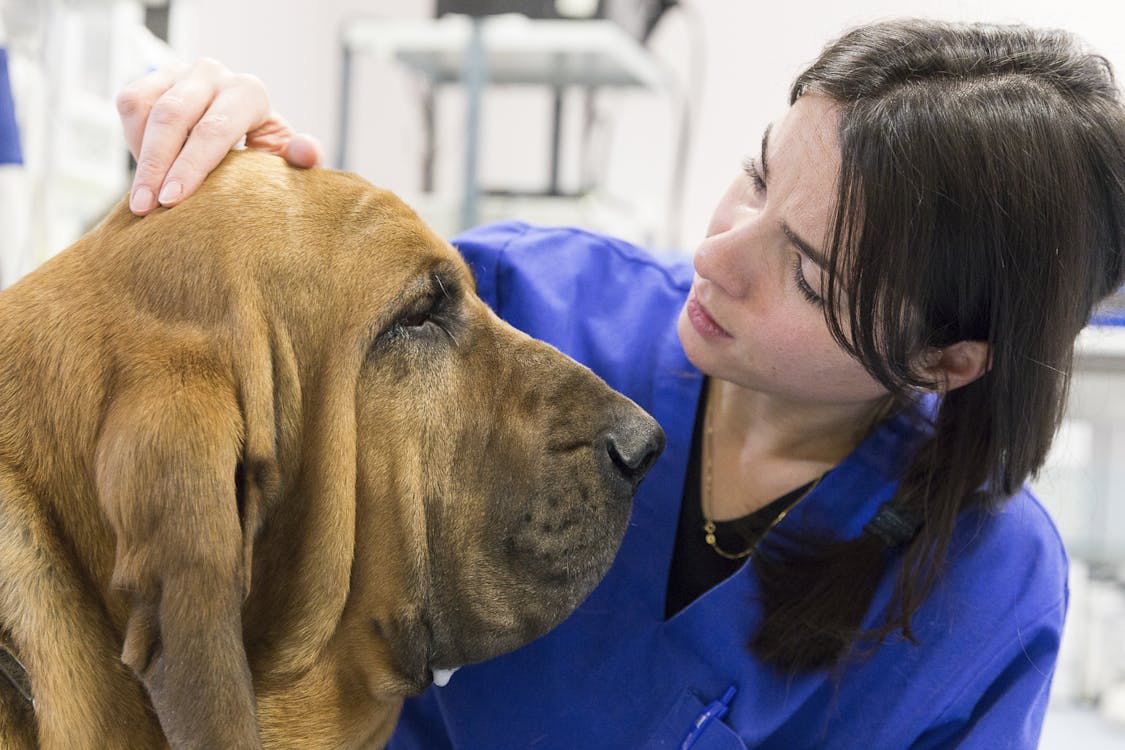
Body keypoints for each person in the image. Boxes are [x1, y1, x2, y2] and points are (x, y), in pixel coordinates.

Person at [116, 19, 1125, 748]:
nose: (720, 255)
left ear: (945, 362)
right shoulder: (527, 313)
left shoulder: (985, 589)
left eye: (812, 276)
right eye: (758, 177)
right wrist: (228, 189)